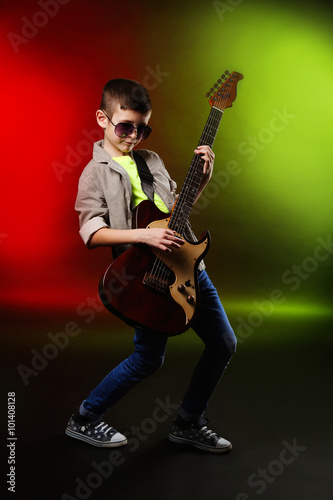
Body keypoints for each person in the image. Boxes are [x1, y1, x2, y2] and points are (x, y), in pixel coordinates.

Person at [65, 78, 237, 453]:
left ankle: (189, 422)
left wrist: (202, 180)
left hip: (187, 269)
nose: (134, 136)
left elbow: (175, 214)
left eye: (143, 128)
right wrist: (144, 237)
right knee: (148, 358)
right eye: (125, 126)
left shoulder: (152, 161)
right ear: (102, 119)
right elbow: (91, 232)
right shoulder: (94, 172)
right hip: (144, 277)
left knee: (224, 342)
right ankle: (84, 418)